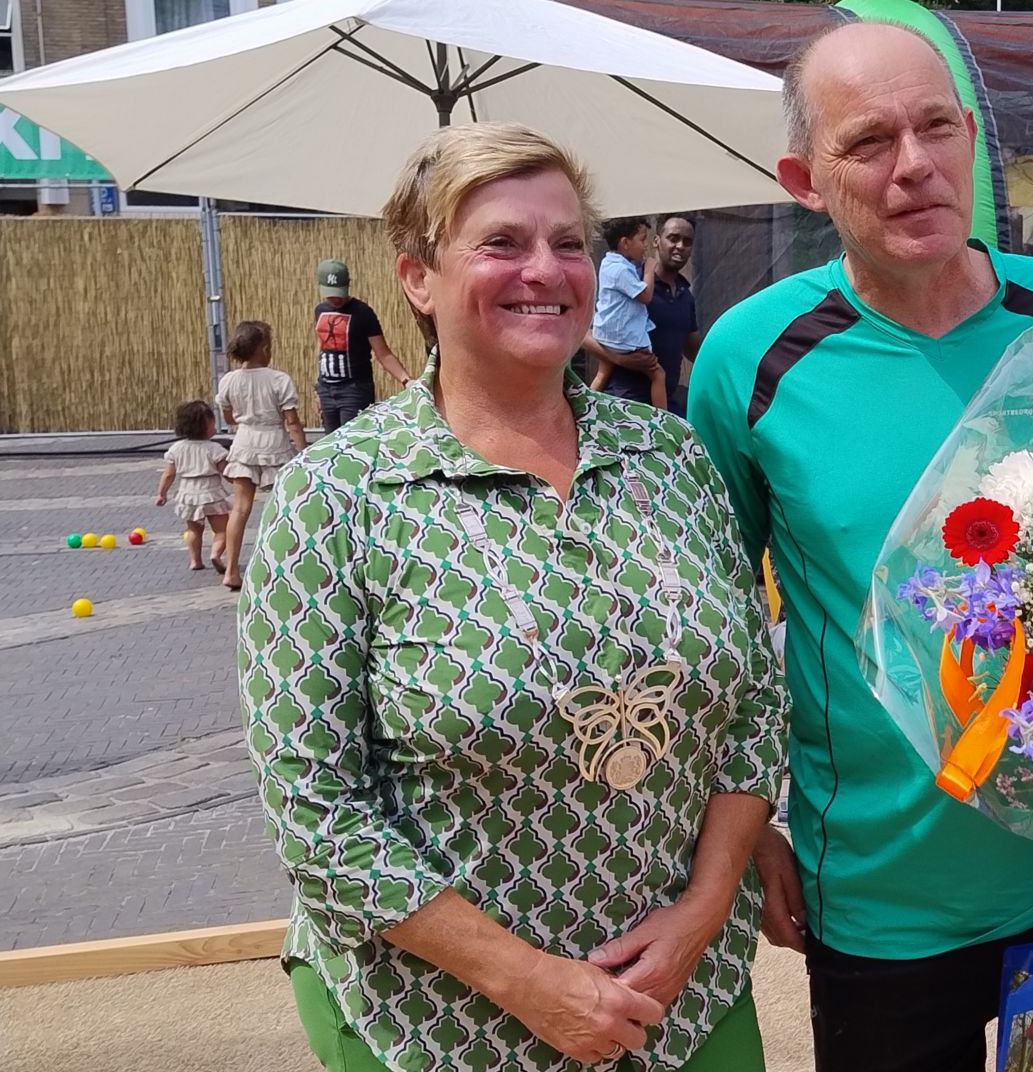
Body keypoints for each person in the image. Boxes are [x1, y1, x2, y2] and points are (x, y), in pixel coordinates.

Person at [687, 23, 1033, 1072]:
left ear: (970, 140)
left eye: (935, 128)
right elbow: (713, 623)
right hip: (880, 899)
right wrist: (743, 830)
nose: (912, 166)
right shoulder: (751, 359)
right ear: (804, 180)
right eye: (868, 142)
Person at [239, 122, 786, 1072]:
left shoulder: (670, 455)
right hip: (435, 1021)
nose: (547, 269)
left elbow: (752, 706)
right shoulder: (336, 497)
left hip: (683, 997)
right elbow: (316, 807)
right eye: (502, 243)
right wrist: (527, 980)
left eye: (569, 242)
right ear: (416, 279)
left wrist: (704, 906)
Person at [216, 321, 304, 591]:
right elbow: (292, 422)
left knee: (240, 508)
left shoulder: (229, 380)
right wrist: (303, 452)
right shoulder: (279, 380)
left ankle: (231, 569)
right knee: (283, 508)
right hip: (274, 445)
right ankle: (281, 566)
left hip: (244, 442)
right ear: (263, 348)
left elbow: (228, 416)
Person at [313, 259, 410, 430]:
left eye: (339, 293)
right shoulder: (320, 310)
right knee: (330, 444)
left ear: (348, 285)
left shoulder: (362, 312)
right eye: (330, 294)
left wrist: (406, 379)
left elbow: (383, 353)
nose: (335, 299)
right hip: (326, 390)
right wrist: (318, 390)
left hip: (354, 390)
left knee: (352, 442)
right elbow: (322, 350)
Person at [589, 215, 669, 407]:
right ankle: (664, 420)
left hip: (606, 337)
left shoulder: (609, 263)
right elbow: (645, 295)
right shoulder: (620, 270)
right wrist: (650, 269)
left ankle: (585, 407)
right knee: (658, 374)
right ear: (625, 243)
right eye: (642, 240)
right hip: (623, 339)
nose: (645, 246)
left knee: (603, 371)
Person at [154, 399, 230, 572]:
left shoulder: (176, 449)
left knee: (194, 530)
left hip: (188, 493)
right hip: (212, 493)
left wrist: (161, 494)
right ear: (205, 426)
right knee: (222, 530)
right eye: (212, 424)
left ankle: (195, 561)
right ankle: (216, 554)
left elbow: (169, 474)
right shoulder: (215, 449)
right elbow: (225, 471)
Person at [650, 214, 703, 417]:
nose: (680, 246)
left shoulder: (684, 295)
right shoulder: (635, 286)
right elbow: (586, 335)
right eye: (673, 238)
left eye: (687, 242)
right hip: (626, 401)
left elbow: (691, 346)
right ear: (656, 241)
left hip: (665, 403)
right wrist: (620, 358)